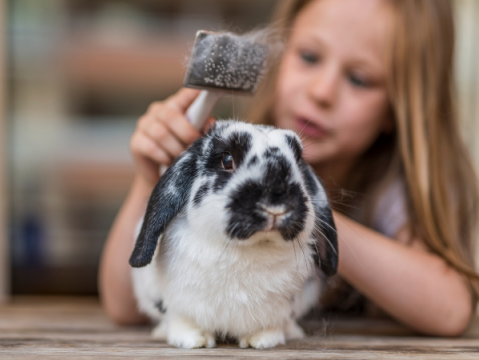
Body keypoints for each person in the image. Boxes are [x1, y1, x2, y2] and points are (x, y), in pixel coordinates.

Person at [99, 0, 479, 336]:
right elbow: (124, 307)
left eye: (360, 79)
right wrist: (151, 179)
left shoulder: (393, 189)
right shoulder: (224, 160)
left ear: (399, 109)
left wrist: (304, 212)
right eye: (309, 57)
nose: (322, 92)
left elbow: (449, 309)